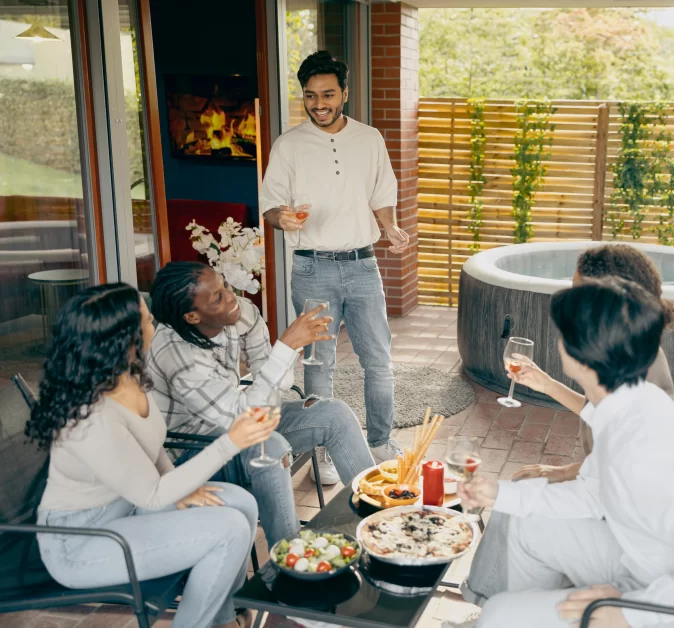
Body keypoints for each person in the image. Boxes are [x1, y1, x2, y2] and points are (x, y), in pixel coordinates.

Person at [454, 278, 674, 628]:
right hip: (643, 559)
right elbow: (592, 494)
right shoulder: (629, 403)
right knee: (521, 524)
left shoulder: (645, 448)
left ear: (582, 354)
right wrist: (498, 493)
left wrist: (627, 611)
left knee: (498, 616)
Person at [27, 283, 276, 628]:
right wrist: (230, 442)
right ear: (123, 340)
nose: (154, 326)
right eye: (146, 321)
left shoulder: (126, 377)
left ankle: (223, 615)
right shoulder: (89, 418)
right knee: (228, 528)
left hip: (128, 507)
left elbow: (152, 447)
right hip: (82, 542)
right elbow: (153, 493)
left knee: (240, 503)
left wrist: (184, 487)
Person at [146, 262, 374, 550]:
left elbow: (274, 390)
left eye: (225, 285)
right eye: (217, 297)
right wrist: (287, 348)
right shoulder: (178, 355)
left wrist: (278, 363)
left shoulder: (241, 314)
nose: (231, 298)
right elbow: (241, 418)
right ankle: (288, 562)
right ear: (192, 316)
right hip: (194, 451)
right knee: (271, 445)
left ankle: (378, 520)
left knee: (334, 413)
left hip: (244, 422)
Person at [259, 50, 406, 470]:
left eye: (327, 94)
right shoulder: (288, 146)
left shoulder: (370, 138)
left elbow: (381, 195)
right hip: (312, 268)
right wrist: (280, 217)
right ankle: (323, 447)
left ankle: (380, 443)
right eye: (310, 96)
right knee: (318, 363)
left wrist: (390, 228)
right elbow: (270, 206)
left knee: (377, 360)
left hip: (362, 265)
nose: (318, 104)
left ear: (344, 92)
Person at [513, 243, 674, 483]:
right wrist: (546, 384)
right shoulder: (618, 348)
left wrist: (564, 472)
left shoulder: (640, 367)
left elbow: (641, 459)